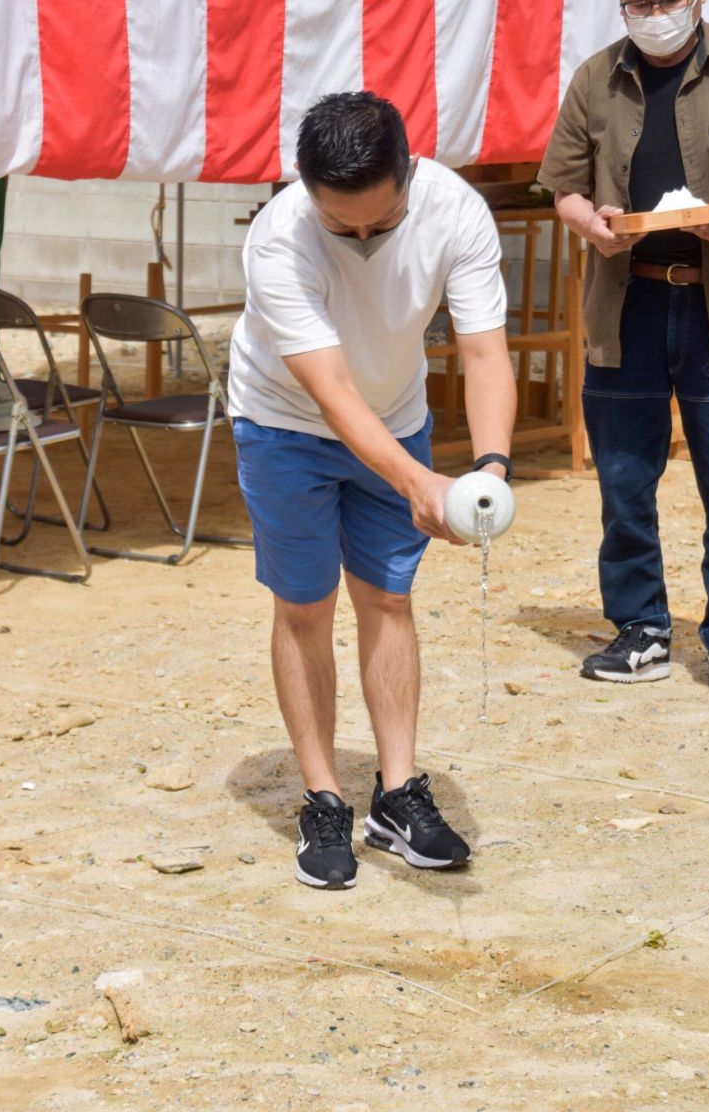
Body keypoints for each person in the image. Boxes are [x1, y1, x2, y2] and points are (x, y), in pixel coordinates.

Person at [228, 91, 516, 889]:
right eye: (340, 225)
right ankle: (323, 797)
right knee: (305, 604)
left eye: (378, 226)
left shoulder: (456, 212)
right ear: (306, 189)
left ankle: (396, 794)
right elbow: (331, 394)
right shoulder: (279, 236)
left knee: (388, 598)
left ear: (408, 175)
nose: (359, 240)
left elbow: (486, 355)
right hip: (285, 424)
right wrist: (419, 481)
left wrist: (490, 465)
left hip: (397, 413)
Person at [538, 0, 709, 693]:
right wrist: (586, 222)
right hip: (624, 303)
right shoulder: (597, 78)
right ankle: (641, 628)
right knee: (625, 479)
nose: (656, 12)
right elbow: (561, 182)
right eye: (640, 0)